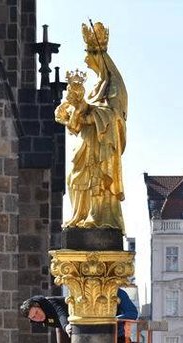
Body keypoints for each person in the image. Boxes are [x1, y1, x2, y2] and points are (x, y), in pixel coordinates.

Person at [55, 21, 127, 231]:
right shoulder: (97, 84)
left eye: (90, 53)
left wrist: (84, 108)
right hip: (86, 142)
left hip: (101, 146)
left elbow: (113, 117)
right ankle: (80, 214)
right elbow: (86, 114)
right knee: (74, 178)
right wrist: (72, 109)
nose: (86, 59)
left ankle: (97, 217)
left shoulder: (114, 85)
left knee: (95, 181)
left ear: (99, 55)